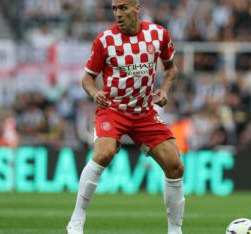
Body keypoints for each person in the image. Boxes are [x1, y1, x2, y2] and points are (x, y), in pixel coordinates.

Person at [66, 0, 185, 233]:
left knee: (175, 166)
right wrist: (95, 92)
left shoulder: (158, 34)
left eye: (123, 7)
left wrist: (165, 90)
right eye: (114, 9)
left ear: (136, 8)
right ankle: (76, 220)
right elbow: (87, 78)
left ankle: (175, 229)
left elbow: (171, 69)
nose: (118, 13)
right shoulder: (105, 40)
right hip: (113, 109)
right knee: (104, 153)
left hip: (144, 112)